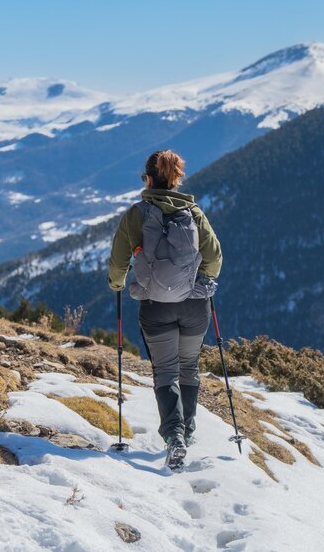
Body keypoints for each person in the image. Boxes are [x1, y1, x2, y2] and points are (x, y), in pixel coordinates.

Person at [108, 150, 222, 469]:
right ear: (178, 178)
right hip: (194, 307)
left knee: (166, 371)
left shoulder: (136, 214)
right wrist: (202, 283)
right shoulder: (194, 213)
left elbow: (118, 262)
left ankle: (174, 437)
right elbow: (214, 258)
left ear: (147, 179)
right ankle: (187, 429)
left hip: (155, 307)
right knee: (189, 367)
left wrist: (117, 284)